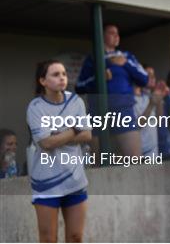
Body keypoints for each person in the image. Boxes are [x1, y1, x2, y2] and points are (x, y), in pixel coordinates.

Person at [27, 60, 92, 242]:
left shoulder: (76, 101)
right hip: (46, 183)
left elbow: (87, 135)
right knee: (48, 239)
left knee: (75, 237)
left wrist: (60, 135)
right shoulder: (35, 108)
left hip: (75, 180)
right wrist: (73, 129)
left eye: (63, 73)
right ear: (43, 81)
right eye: (55, 75)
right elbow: (46, 143)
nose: (62, 78)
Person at [76, 24, 148, 157]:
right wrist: (98, 78)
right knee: (98, 160)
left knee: (134, 159)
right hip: (98, 111)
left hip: (123, 110)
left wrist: (125, 63)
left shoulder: (127, 56)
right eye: (111, 32)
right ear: (101, 36)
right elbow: (79, 86)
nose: (116, 36)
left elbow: (144, 79)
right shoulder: (93, 58)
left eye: (117, 33)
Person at [134, 65, 168, 157]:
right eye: (148, 74)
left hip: (153, 152)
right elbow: (137, 125)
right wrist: (151, 104)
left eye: (153, 75)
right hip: (140, 152)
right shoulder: (131, 99)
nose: (152, 77)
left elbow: (159, 120)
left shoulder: (149, 96)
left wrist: (159, 99)